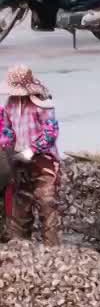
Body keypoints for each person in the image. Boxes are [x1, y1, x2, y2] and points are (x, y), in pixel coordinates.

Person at [1, 65, 61, 246]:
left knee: (46, 204)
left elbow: (51, 132)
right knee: (21, 204)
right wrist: (8, 145)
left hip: (43, 161)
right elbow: (7, 128)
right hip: (20, 161)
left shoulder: (41, 104)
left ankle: (52, 248)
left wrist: (32, 150)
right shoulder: (11, 104)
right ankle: (20, 245)